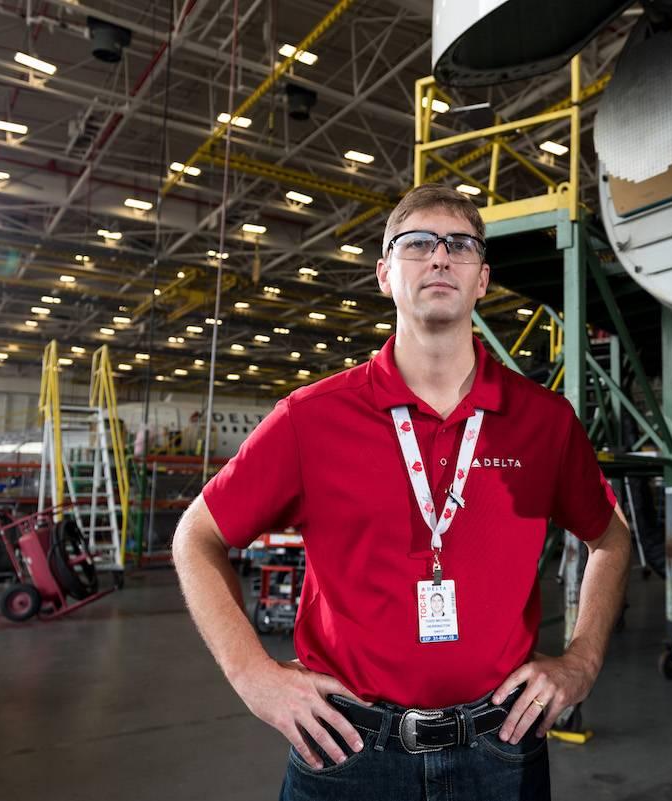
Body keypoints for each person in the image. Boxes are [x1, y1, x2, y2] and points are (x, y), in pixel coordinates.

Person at [172, 183, 631, 801]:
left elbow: (610, 537)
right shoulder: (311, 419)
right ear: (385, 274)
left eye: (460, 245)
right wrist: (252, 675)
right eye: (418, 244)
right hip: (348, 750)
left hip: (500, 751)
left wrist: (582, 661)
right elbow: (196, 535)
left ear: (483, 279)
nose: (440, 257)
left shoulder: (544, 421)